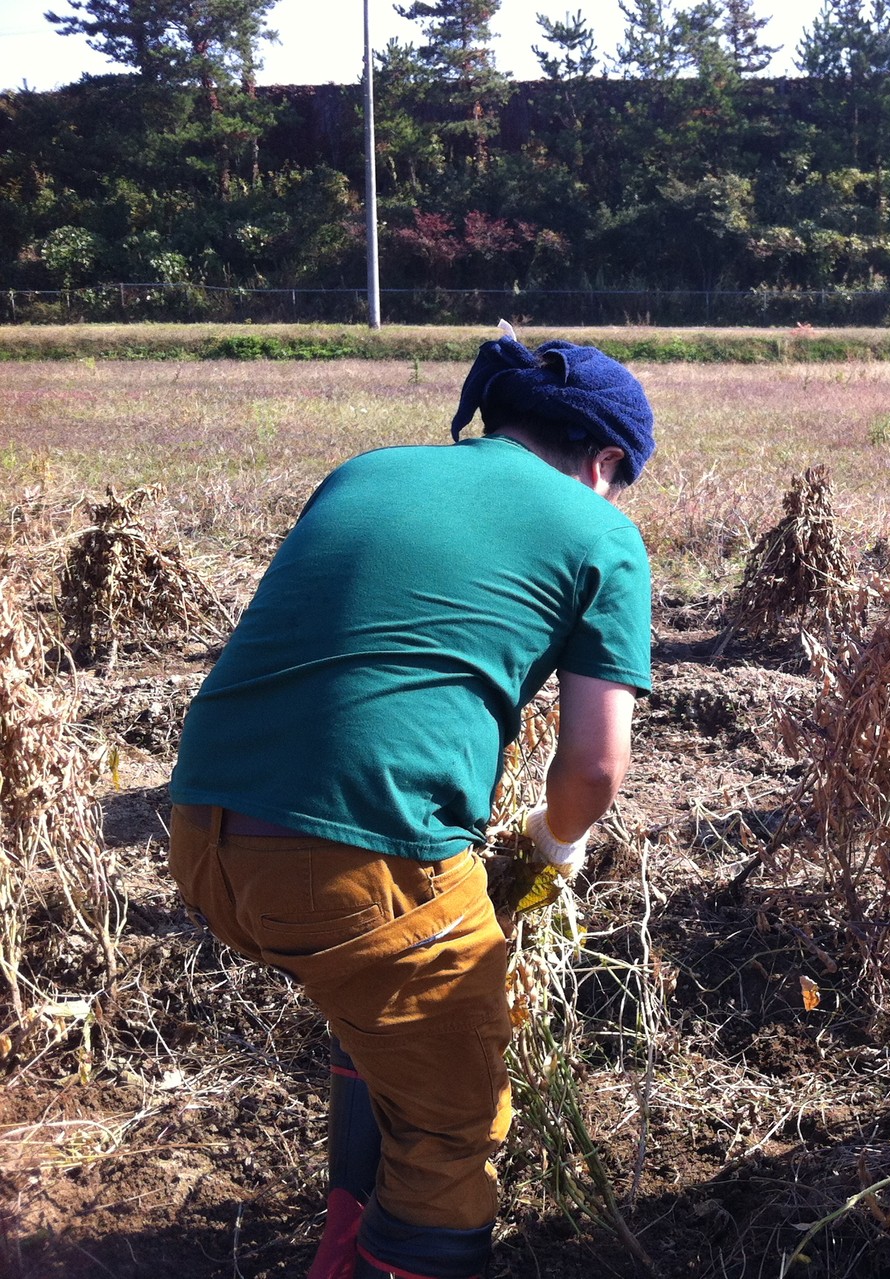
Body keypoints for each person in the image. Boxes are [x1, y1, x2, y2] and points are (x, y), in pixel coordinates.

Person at [167, 331, 657, 1279]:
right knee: (452, 1128)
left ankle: (343, 1246)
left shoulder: (367, 470)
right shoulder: (601, 531)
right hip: (358, 863)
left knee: (376, 1006)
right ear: (605, 461)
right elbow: (596, 766)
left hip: (203, 832)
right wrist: (550, 851)